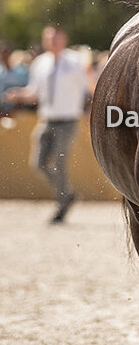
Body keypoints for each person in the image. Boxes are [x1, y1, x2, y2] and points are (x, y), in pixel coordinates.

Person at [6, 25, 90, 223]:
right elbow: (35, 92)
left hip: (68, 120)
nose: (52, 41)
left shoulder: (75, 62)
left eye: (55, 37)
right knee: (39, 163)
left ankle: (61, 206)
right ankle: (67, 194)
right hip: (47, 119)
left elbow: (88, 86)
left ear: (64, 39)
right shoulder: (40, 64)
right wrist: (19, 95)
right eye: (48, 37)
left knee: (60, 163)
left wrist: (92, 107)